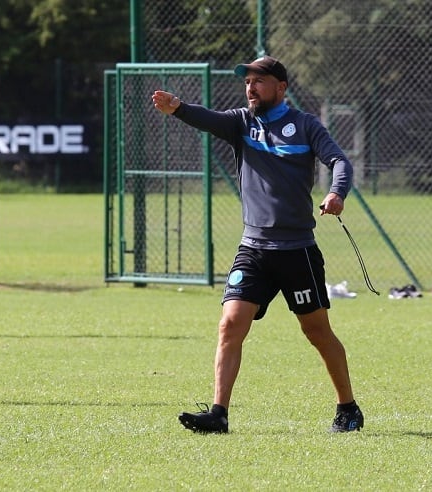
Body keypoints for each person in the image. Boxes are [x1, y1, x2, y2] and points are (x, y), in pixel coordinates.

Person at [152, 55, 364, 433]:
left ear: (281, 88)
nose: (250, 87)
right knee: (230, 324)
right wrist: (179, 108)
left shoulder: (305, 125)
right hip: (253, 248)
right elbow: (208, 117)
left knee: (316, 332)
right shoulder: (241, 123)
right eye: (247, 81)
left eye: (259, 81)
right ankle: (219, 414)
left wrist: (337, 192)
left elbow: (340, 162)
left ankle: (347, 408)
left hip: (297, 250)